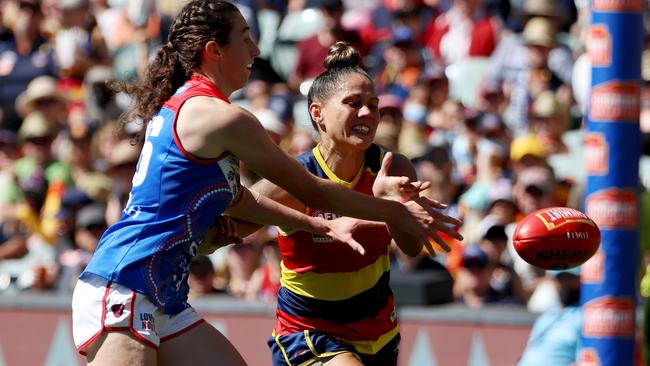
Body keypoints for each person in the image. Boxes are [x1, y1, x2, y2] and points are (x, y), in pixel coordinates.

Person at [71, 2, 461, 365]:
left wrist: (321, 224)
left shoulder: (192, 107)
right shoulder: (220, 117)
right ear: (215, 50)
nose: (256, 50)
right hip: (126, 284)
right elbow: (313, 191)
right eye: (245, 39)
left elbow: (240, 200)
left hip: (163, 295)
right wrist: (395, 211)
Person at [250, 42, 463, 366]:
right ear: (317, 113)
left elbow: (408, 248)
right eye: (353, 103)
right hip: (309, 328)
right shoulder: (295, 177)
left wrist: (395, 208)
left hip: (377, 328)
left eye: (373, 105)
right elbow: (235, 207)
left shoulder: (393, 167)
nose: (367, 114)